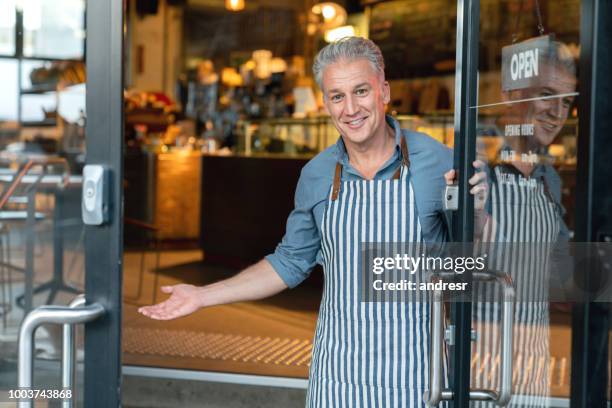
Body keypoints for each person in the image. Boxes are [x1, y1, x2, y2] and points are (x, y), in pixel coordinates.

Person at [139, 36, 485, 407]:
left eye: (361, 91)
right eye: (337, 96)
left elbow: (468, 267)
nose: (351, 108)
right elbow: (290, 262)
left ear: (384, 92)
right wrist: (202, 295)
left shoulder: (437, 161)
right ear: (326, 104)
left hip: (416, 377)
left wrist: (478, 212)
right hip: (339, 376)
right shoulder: (318, 174)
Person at [470, 39, 577, 407]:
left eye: (567, 101)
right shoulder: (474, 163)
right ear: (510, 94)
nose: (558, 113)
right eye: (547, 95)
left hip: (532, 371)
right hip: (477, 371)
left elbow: (562, 285)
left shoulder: (549, 179)